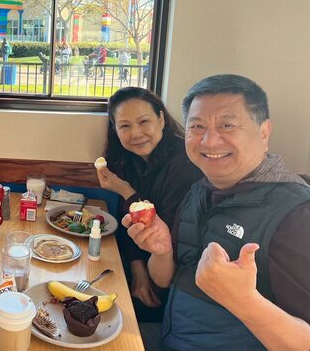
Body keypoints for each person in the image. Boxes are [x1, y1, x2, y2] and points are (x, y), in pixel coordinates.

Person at [123, 74, 310, 350]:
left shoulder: (296, 215)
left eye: (227, 125)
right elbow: (165, 281)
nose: (209, 141)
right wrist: (161, 252)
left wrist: (244, 301)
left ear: (264, 132)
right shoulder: (197, 191)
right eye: (197, 126)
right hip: (169, 337)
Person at [96, 87, 203, 322]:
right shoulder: (129, 160)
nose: (136, 133)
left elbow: (163, 234)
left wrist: (125, 190)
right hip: (143, 262)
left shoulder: (184, 164)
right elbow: (129, 222)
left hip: (174, 276)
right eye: (125, 126)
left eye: (144, 121)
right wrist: (137, 268)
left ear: (161, 119)